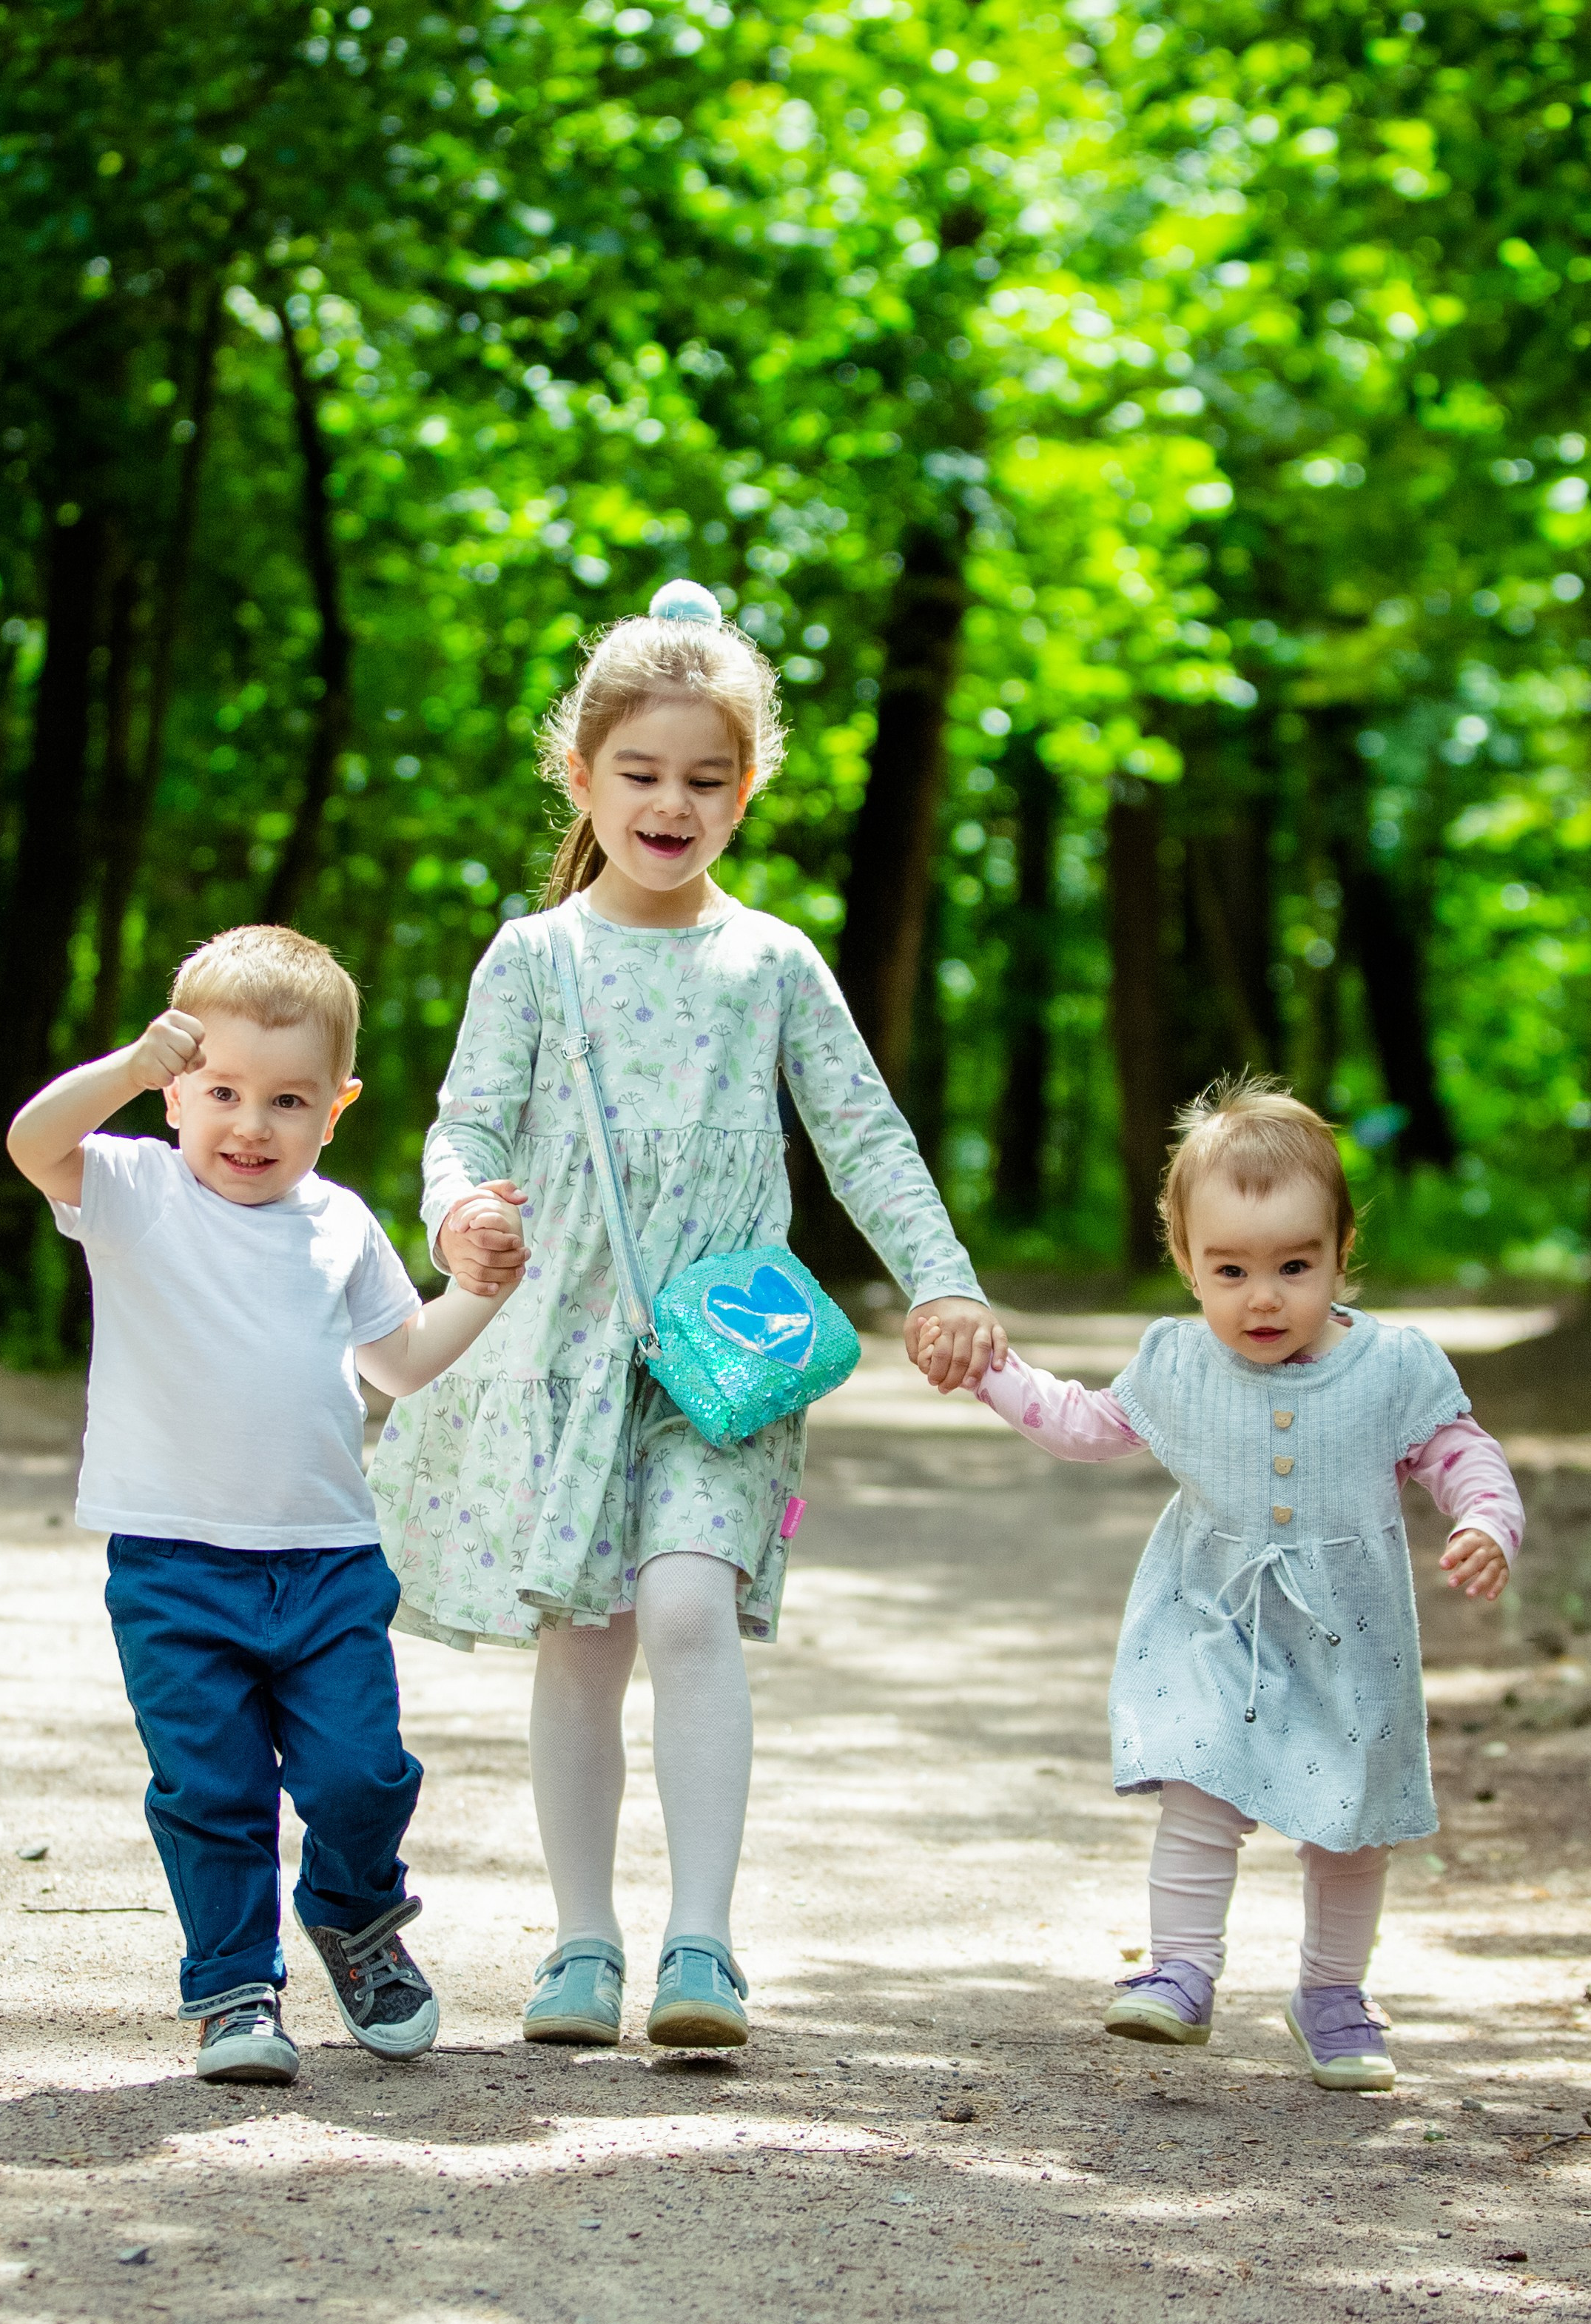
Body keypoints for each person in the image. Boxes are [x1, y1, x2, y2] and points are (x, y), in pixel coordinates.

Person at [369, 580, 1002, 2051]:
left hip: (731, 1356)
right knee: (584, 1638)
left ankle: (701, 1945)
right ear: (579, 776)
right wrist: (460, 1209)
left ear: (750, 787)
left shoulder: (772, 960)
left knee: (685, 1605)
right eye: (641, 774)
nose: (672, 803)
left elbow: (864, 1132)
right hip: (573, 1351)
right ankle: (581, 1943)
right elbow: (465, 1124)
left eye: (706, 779)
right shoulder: (533, 958)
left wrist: (945, 1279)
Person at [912, 1076, 1524, 2092]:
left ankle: (1330, 1993)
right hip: (1210, 1622)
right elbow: (1080, 1423)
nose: (1263, 1296)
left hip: (1350, 1636)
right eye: (1229, 1268)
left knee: (1349, 1823)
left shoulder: (1393, 1367)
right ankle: (1179, 1969)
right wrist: (988, 1370)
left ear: (1339, 1251)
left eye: (1294, 1264)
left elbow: (1461, 1452)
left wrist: (1483, 1518)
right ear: (1185, 1260)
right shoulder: (1177, 1362)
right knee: (1196, 1782)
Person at [7, 925, 522, 2087]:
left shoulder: (338, 1221)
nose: (251, 1124)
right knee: (213, 1786)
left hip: (328, 1557)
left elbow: (397, 1364)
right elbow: (31, 1139)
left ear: (333, 1109)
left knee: (364, 1772)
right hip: (175, 1564)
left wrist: (477, 1290)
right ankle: (235, 1987)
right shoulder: (133, 1185)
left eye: (287, 1100)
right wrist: (125, 1070)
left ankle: (352, 1913)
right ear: (177, 1088)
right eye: (223, 1091)